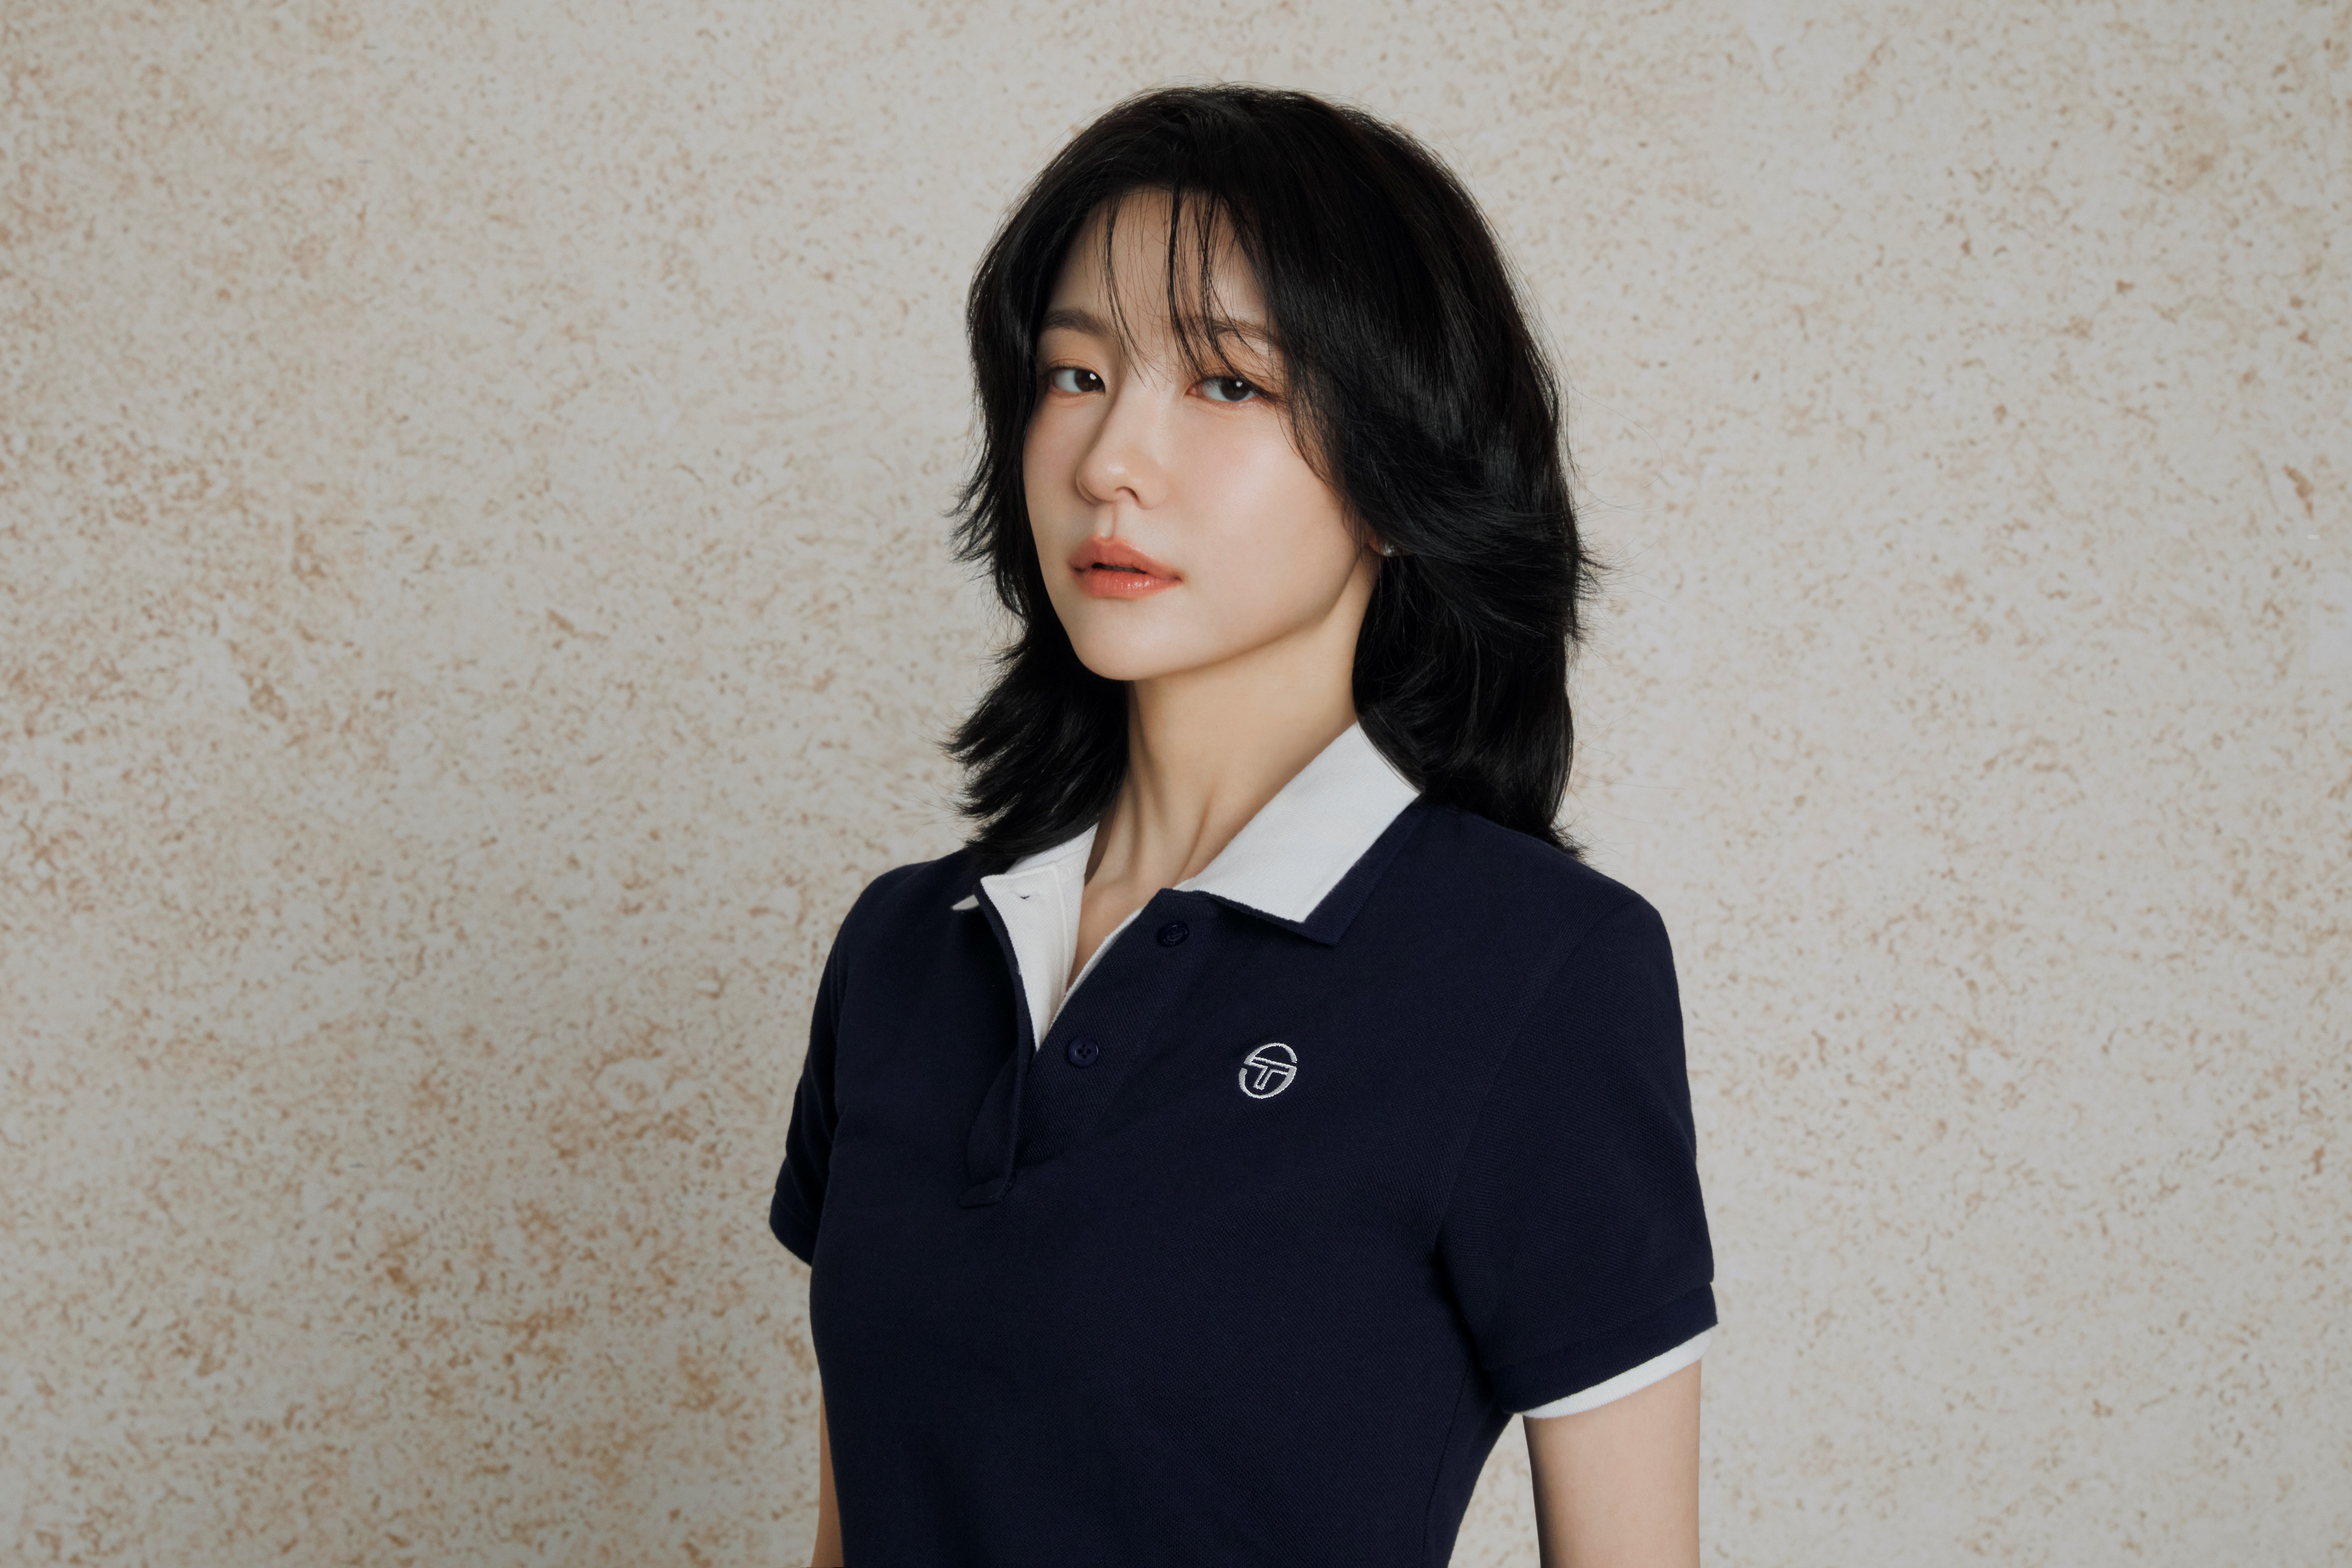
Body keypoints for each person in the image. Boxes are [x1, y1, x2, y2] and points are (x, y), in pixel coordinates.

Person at [769, 83, 1715, 1568]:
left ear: (1399, 469)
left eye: (1226, 385)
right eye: (1076, 374)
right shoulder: (904, 951)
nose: (1108, 462)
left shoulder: (1536, 971)